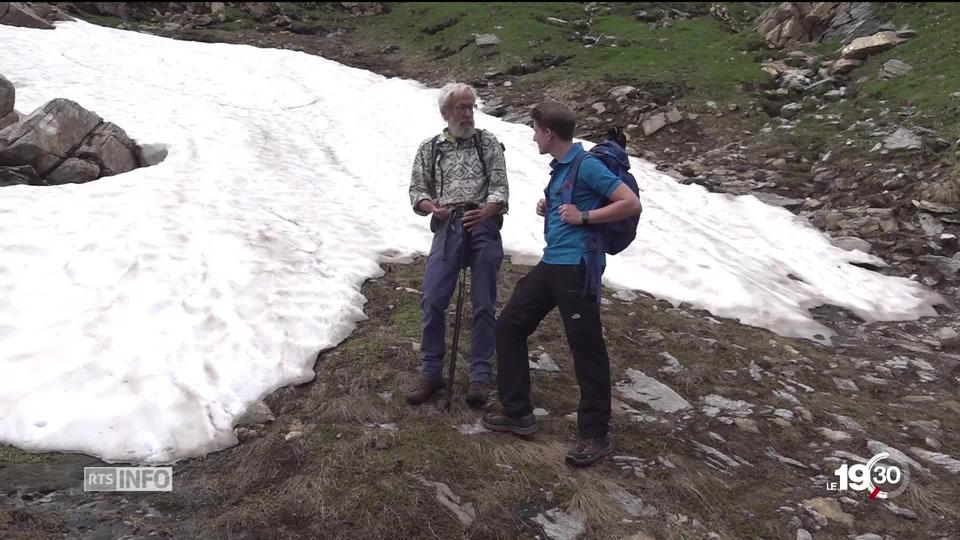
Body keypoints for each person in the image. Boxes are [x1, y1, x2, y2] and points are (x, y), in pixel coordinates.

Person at [481, 101, 642, 467]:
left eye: (536, 131)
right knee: (509, 325)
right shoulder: (564, 169)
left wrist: (583, 216)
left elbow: (629, 203)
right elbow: (570, 206)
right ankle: (518, 412)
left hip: (578, 268)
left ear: (549, 133)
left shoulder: (588, 166)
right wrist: (551, 204)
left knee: (586, 347)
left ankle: (594, 434)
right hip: (554, 263)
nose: (534, 137)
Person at [406, 82, 509, 408]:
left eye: (470, 107)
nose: (467, 114)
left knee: (483, 303)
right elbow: (417, 191)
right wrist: (431, 208)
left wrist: (487, 212)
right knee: (433, 298)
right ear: (446, 112)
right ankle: (431, 373)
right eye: (461, 108)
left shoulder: (488, 143)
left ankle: (480, 377)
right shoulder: (430, 148)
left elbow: (500, 188)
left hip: (483, 223)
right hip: (448, 224)